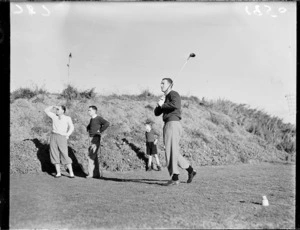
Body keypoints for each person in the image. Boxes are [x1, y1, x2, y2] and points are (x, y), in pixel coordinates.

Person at [154, 78, 197, 186]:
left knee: (170, 151)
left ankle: (175, 178)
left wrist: (163, 105)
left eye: (163, 83)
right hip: (168, 124)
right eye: (161, 83)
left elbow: (175, 105)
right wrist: (160, 104)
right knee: (173, 151)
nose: (161, 85)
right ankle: (191, 170)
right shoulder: (165, 98)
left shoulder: (174, 94)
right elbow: (156, 113)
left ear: (170, 85)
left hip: (173, 123)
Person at [44, 105, 75, 178]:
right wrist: (53, 106)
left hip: (62, 137)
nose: (56, 110)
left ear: (63, 111)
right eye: (56, 109)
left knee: (64, 154)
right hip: (53, 136)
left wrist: (67, 134)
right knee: (54, 153)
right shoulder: (54, 116)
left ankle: (71, 173)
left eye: (58, 109)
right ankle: (58, 173)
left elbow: (71, 127)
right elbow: (46, 110)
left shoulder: (67, 118)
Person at [86, 105, 110, 178]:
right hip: (91, 138)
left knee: (91, 156)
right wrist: (88, 128)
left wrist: (100, 130)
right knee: (94, 156)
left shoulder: (98, 118)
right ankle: (96, 174)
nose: (88, 111)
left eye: (89, 110)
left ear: (94, 111)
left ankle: (90, 174)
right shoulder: (92, 119)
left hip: (95, 138)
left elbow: (107, 123)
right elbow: (90, 126)